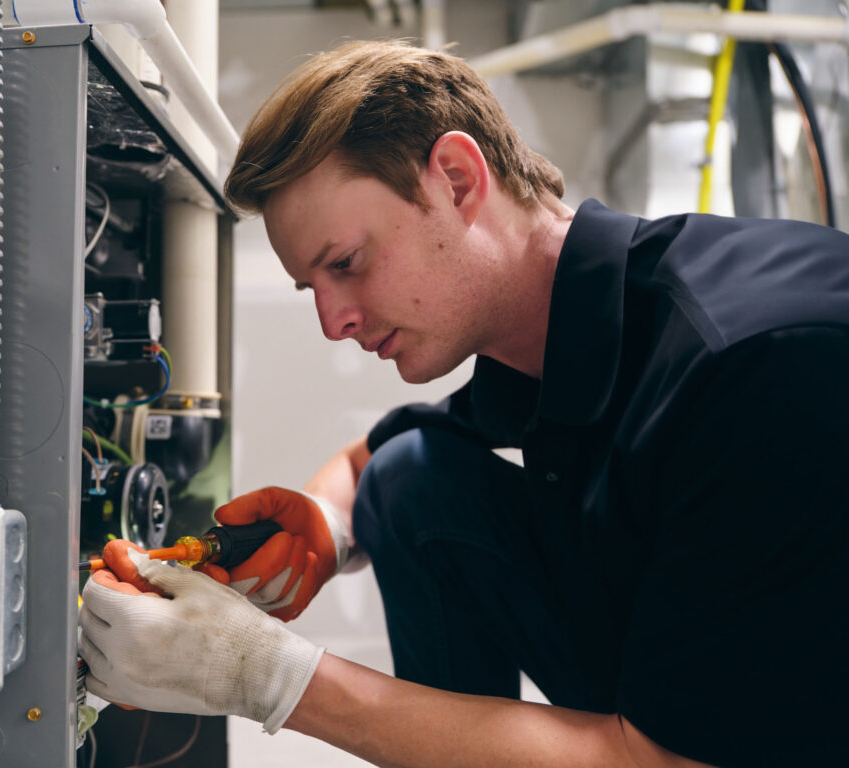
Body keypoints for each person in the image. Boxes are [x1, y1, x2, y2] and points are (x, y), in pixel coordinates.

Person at [79, 40, 849, 767]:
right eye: (313, 288)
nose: (332, 321)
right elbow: (379, 459)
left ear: (456, 178)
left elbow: (669, 760)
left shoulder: (753, 369)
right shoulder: (569, 332)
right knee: (412, 476)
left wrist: (265, 675)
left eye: (346, 264)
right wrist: (321, 525)